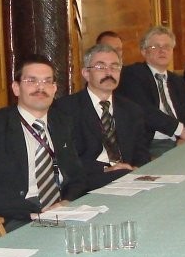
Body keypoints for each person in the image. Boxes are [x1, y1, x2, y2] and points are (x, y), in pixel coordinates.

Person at [0, 55, 87, 231]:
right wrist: (33, 213)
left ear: (54, 89)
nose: (40, 87)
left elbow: (77, 176)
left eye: (47, 81)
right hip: (14, 216)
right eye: (32, 81)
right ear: (16, 88)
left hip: (60, 209)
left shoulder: (62, 122)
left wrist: (66, 202)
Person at [57, 44, 157, 191]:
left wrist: (135, 169)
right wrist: (108, 169)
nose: (109, 72)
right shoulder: (66, 109)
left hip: (128, 177)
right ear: (86, 73)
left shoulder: (131, 109)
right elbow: (67, 157)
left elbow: (141, 151)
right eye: (101, 67)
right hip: (88, 180)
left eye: (114, 67)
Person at [119, 26, 185, 155]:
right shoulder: (132, 74)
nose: (162, 51)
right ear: (144, 52)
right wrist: (178, 130)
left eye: (167, 47)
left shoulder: (176, 80)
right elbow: (144, 110)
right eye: (156, 47)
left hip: (180, 139)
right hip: (153, 143)